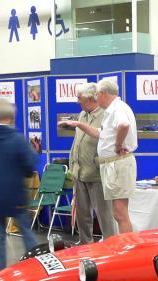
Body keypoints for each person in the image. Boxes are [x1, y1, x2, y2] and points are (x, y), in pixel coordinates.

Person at [63, 78, 137, 234]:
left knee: (119, 214)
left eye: (97, 95)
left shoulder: (117, 110)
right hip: (109, 165)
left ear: (102, 93)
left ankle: (125, 250)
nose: (96, 98)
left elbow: (124, 125)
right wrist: (77, 124)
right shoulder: (112, 110)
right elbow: (100, 134)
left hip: (114, 165)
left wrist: (118, 145)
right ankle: (122, 248)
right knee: (117, 213)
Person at [0, 101, 39, 277]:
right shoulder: (17, 139)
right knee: (26, 232)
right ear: (11, 117)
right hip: (15, 195)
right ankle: (38, 268)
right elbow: (29, 168)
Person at [60, 82, 115, 243]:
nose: (77, 101)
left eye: (80, 98)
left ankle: (111, 245)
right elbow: (77, 141)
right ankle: (85, 244)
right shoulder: (82, 114)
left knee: (104, 215)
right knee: (82, 214)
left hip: (96, 173)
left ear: (91, 99)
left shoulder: (106, 116)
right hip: (79, 172)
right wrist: (72, 164)